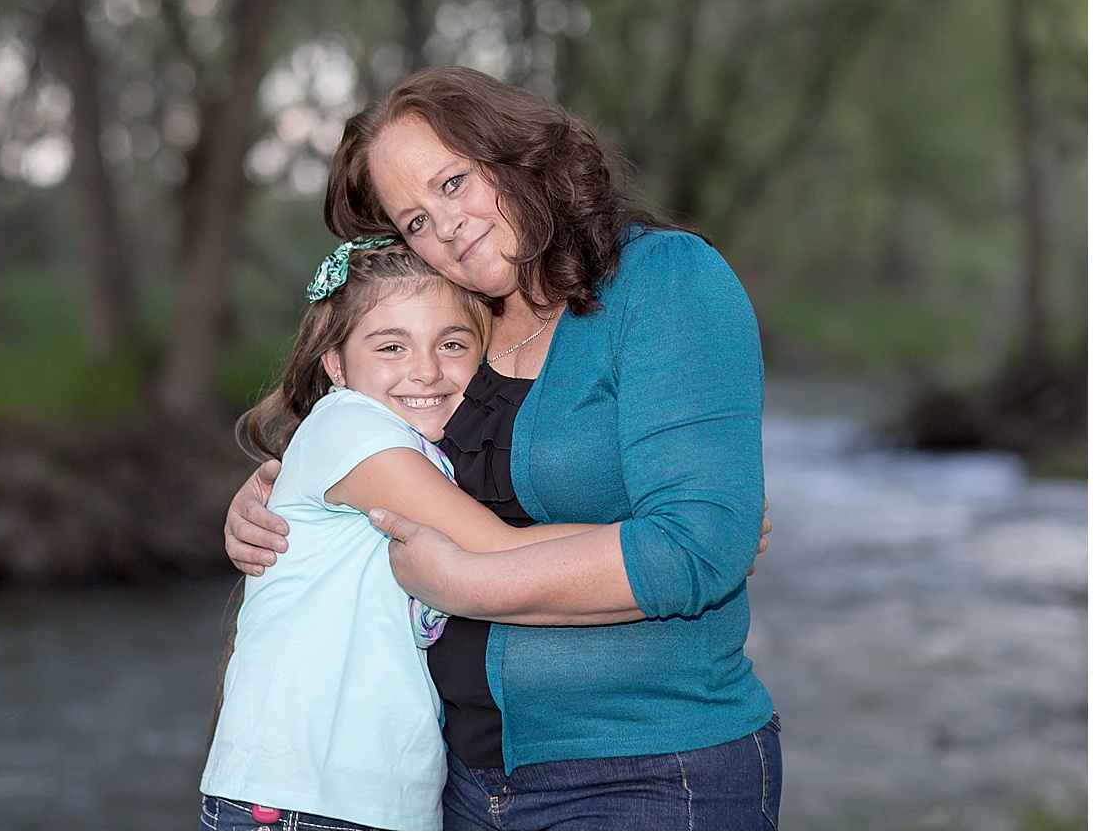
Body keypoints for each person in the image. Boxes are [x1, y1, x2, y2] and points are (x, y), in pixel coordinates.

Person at [225, 65, 778, 830]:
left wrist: (465, 581)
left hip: (643, 770)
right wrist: (268, 498)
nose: (443, 226)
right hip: (455, 785)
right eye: (414, 219)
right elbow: (368, 448)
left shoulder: (666, 281)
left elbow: (696, 546)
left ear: (517, 151)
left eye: (452, 183)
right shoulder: (459, 330)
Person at [200, 240, 598, 831]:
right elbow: (499, 551)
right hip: (303, 801)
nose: (426, 369)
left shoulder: (430, 450)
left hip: (380, 804)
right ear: (336, 365)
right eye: (391, 346)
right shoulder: (351, 428)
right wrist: (681, 531)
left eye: (453, 344)